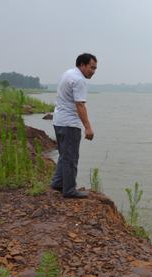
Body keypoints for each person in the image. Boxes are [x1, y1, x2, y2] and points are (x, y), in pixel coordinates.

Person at [50, 53, 97, 198]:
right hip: (69, 124)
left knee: (64, 155)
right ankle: (69, 190)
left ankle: (57, 182)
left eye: (95, 68)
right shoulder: (79, 80)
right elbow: (80, 105)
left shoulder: (68, 74)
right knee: (71, 157)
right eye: (91, 67)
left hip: (58, 121)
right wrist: (88, 127)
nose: (93, 71)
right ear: (82, 65)